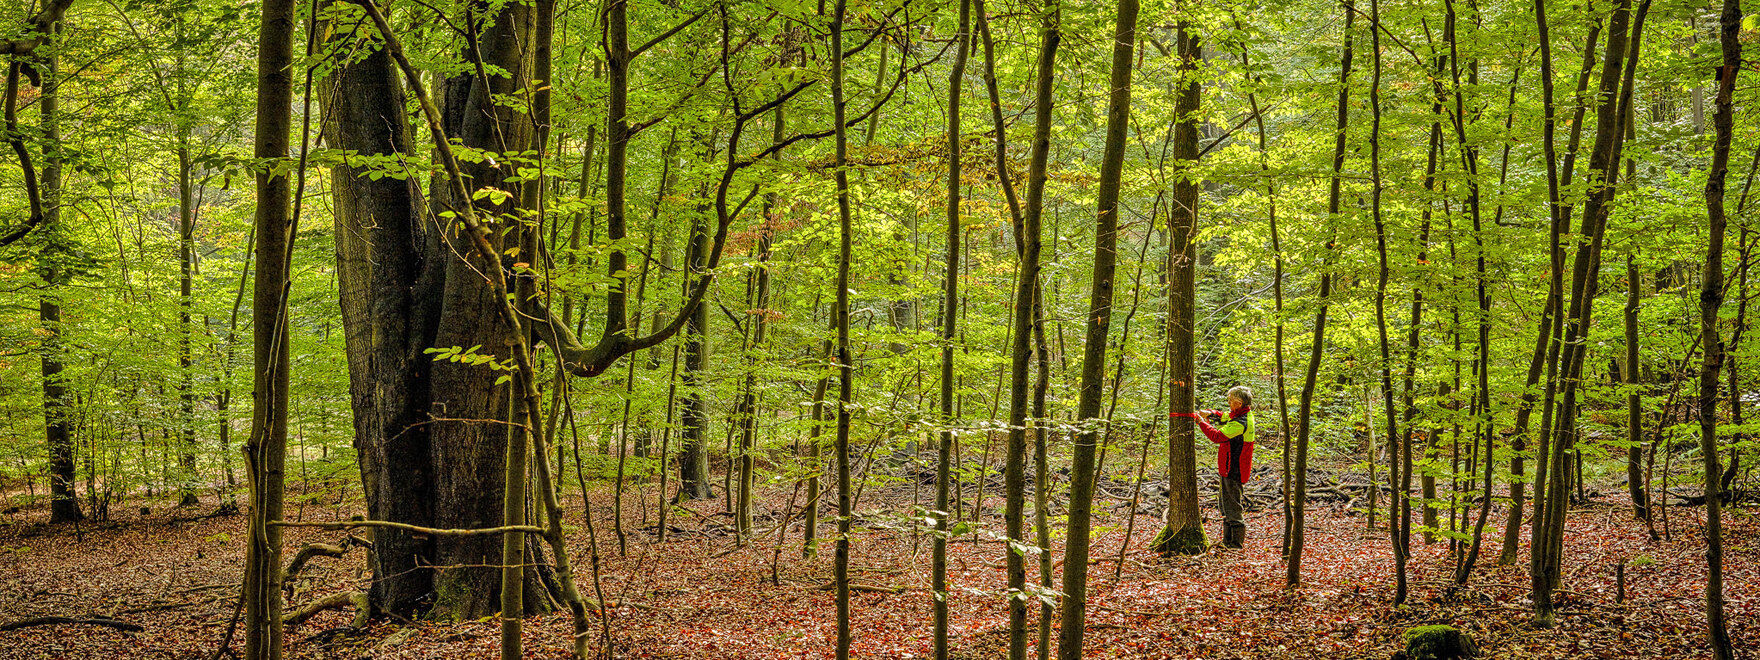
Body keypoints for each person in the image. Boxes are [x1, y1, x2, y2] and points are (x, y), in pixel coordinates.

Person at [1173, 386, 1255, 548]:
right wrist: (1210, 413)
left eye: (1230, 400)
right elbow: (1225, 416)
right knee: (1225, 506)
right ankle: (1227, 542)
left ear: (1238, 403)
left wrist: (1201, 422)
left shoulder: (1242, 422)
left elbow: (1217, 436)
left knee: (1232, 507)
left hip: (1234, 469)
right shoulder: (1240, 415)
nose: (1228, 403)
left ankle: (1235, 544)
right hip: (1229, 467)